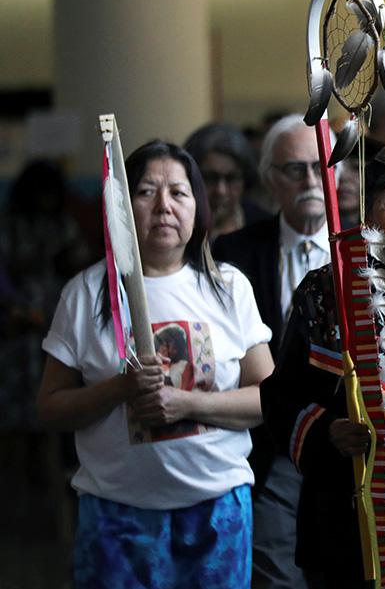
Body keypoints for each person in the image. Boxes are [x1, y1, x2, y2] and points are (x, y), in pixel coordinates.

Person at [36, 140, 273, 588]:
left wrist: (186, 404)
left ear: (197, 207)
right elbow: (50, 407)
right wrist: (118, 389)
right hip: (116, 518)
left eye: (178, 193)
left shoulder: (229, 288)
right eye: (146, 192)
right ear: (122, 206)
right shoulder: (87, 295)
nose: (164, 206)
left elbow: (269, 398)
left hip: (216, 513)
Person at [260, 144, 385, 588]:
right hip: (348, 508)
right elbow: (280, 395)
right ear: (365, 215)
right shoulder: (326, 290)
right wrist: (327, 429)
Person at [213, 114, 331, 589]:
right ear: (268, 181)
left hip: (350, 440)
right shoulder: (233, 253)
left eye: (318, 166)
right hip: (268, 448)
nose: (309, 180)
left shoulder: (364, 248)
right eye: (293, 169)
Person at [184, 122, 269, 240]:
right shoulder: (176, 223)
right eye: (210, 178)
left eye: (231, 178)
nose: (221, 191)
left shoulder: (264, 229)